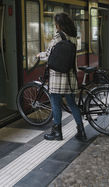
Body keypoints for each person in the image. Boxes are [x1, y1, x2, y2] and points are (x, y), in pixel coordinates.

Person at [37, 13, 86, 141]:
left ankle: (57, 132)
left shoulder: (58, 37)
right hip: (70, 76)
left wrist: (39, 55)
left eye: (55, 24)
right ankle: (81, 130)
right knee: (72, 104)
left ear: (58, 25)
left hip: (57, 76)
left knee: (55, 104)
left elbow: (49, 55)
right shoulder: (73, 37)